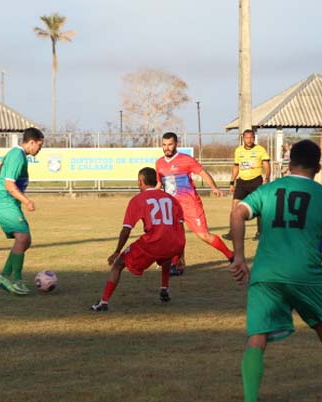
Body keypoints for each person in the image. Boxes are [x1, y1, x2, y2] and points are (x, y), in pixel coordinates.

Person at [226, 139, 322, 402]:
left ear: (288, 163)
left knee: (257, 336)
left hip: (267, 274)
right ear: (318, 167)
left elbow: (237, 213)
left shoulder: (267, 190)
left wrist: (239, 257)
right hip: (307, 276)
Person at [91, 167, 186, 312]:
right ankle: (164, 289)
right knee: (166, 256)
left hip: (153, 242)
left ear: (140, 181)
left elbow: (126, 229)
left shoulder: (138, 199)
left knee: (118, 265)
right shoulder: (172, 199)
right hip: (173, 243)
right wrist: (181, 254)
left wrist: (117, 251)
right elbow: (180, 228)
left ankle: (103, 302)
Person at [155, 132, 233, 274]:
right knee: (174, 237)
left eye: (170, 144)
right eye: (164, 145)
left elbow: (203, 173)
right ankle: (177, 265)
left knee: (204, 235)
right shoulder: (159, 163)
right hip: (172, 207)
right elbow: (159, 183)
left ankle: (231, 255)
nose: (167, 148)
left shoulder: (186, 160)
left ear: (176, 144)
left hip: (190, 204)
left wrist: (214, 187)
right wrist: (149, 194)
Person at [0, 127, 45, 295]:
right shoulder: (18, 156)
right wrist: (26, 201)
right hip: (5, 202)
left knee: (25, 241)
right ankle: (17, 280)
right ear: (31, 142)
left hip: (8, 202)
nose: (40, 149)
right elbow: (8, 184)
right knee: (23, 238)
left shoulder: (15, 154)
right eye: (40, 145)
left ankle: (4, 276)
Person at [222, 129, 270, 241]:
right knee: (235, 208)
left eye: (251, 137)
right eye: (247, 137)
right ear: (243, 138)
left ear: (254, 138)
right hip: (242, 182)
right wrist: (232, 182)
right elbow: (236, 167)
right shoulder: (238, 151)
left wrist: (266, 178)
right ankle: (233, 233)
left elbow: (267, 166)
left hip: (256, 181)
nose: (249, 140)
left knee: (259, 207)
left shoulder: (260, 150)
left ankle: (260, 233)